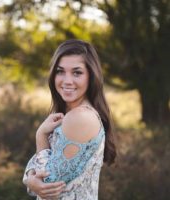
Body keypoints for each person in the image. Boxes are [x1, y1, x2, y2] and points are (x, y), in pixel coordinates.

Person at [23, 39, 116, 200]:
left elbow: (47, 182)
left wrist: (41, 135)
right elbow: (41, 173)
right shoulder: (69, 113)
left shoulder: (80, 117)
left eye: (77, 72)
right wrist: (29, 178)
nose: (67, 80)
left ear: (91, 76)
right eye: (60, 71)